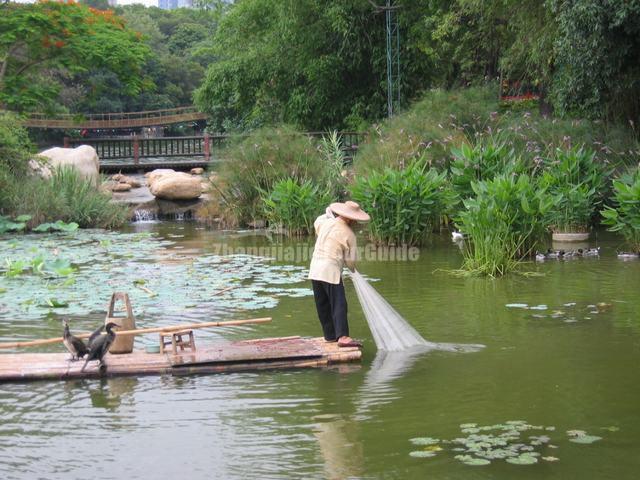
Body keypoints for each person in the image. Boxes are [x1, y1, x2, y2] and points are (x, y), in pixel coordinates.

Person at [308, 201, 370, 347]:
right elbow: (350, 262)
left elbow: (318, 221)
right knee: (339, 303)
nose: (355, 222)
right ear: (349, 218)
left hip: (315, 269)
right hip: (330, 271)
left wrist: (328, 212)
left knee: (322, 304)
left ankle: (329, 335)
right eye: (354, 219)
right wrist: (353, 269)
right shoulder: (349, 234)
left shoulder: (325, 223)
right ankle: (342, 337)